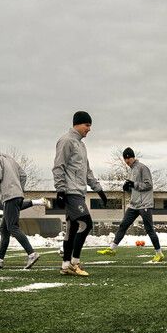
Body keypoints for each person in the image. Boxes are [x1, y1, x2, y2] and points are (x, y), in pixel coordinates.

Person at [52, 111, 108, 277]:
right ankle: (75, 262)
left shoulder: (81, 145)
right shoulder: (66, 141)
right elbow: (58, 166)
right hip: (70, 192)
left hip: (78, 192)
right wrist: (60, 190)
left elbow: (87, 172)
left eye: (90, 125)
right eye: (87, 125)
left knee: (73, 228)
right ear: (77, 124)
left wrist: (99, 190)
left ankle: (65, 265)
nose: (89, 129)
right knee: (86, 224)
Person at [0, 141, 40, 270]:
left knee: (12, 227)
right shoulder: (7, 157)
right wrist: (19, 190)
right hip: (17, 194)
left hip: (9, 196)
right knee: (4, 228)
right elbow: (23, 175)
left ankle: (32, 253)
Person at [100, 148, 164, 262]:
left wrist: (133, 184)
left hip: (144, 204)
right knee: (123, 225)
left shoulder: (142, 168)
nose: (127, 160)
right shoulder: (131, 170)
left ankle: (159, 253)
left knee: (149, 229)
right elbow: (134, 189)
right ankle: (112, 249)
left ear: (133, 157)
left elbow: (149, 185)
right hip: (134, 205)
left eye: (129, 157)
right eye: (125, 158)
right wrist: (128, 188)